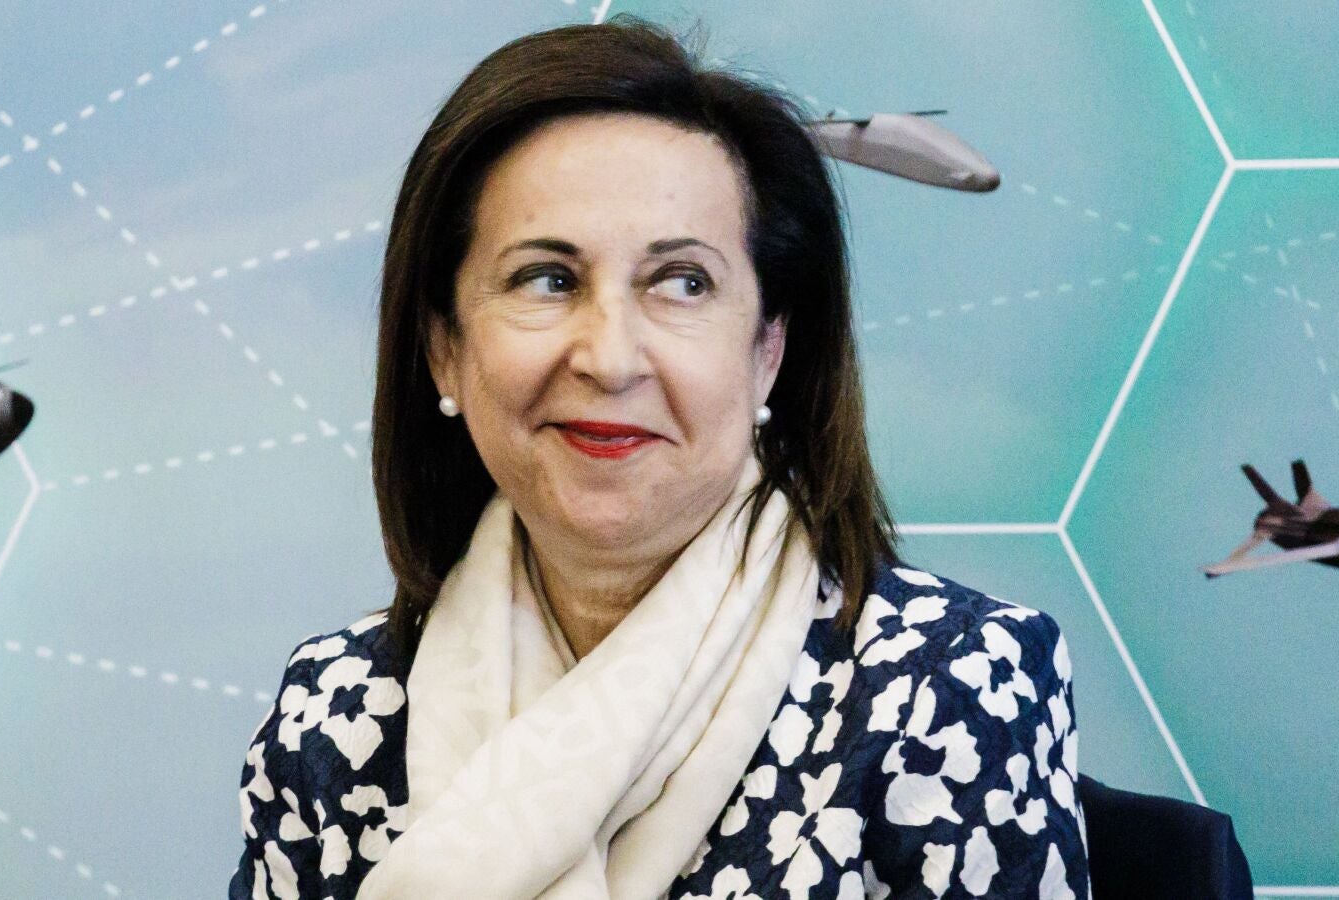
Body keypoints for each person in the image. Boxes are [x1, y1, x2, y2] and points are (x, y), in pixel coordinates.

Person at [230, 14, 1087, 899]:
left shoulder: (945, 685)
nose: (610, 359)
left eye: (682, 283)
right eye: (548, 280)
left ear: (768, 350)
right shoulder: (335, 712)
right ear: (445, 348)